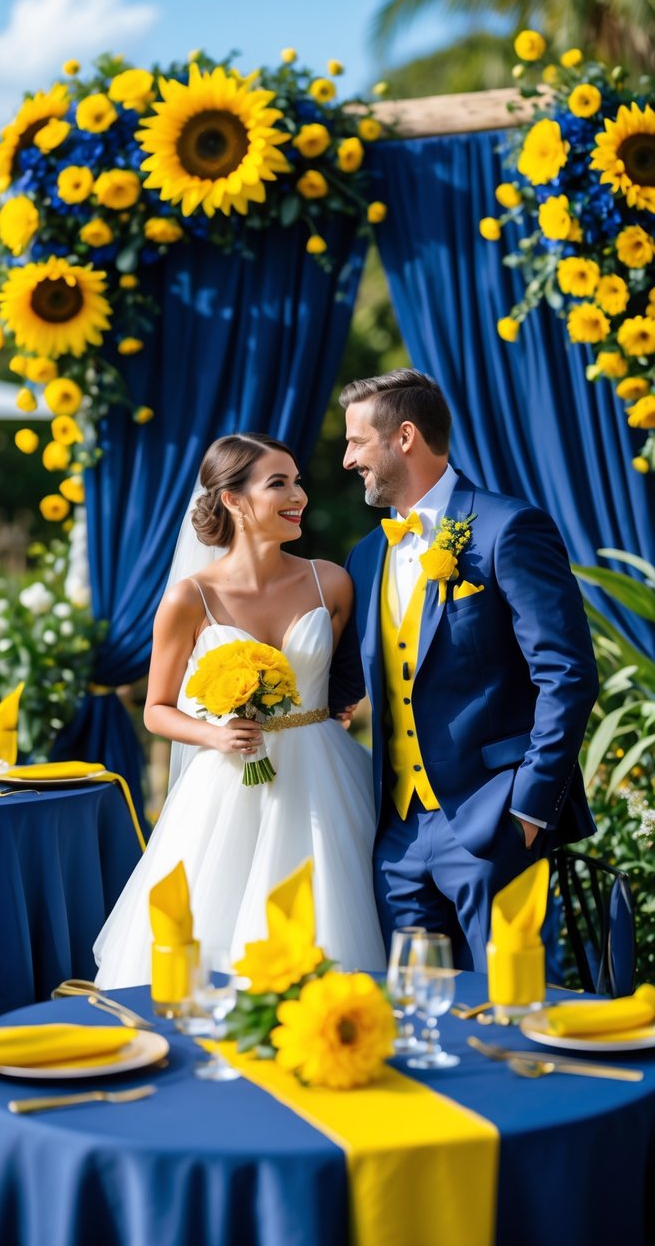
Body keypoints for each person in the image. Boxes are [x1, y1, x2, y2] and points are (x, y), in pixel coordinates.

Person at [329, 369, 598, 971]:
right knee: (414, 1012)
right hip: (397, 839)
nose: (347, 460)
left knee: (514, 1006)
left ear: (404, 437)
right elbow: (350, 683)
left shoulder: (509, 527)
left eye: (356, 442)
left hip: (495, 821)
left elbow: (567, 673)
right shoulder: (365, 555)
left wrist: (528, 810)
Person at [94, 432, 386, 987]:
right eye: (278, 483)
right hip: (227, 783)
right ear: (232, 499)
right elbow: (157, 709)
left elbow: (349, 674)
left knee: (333, 920)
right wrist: (215, 735)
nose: (298, 495)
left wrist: (339, 706)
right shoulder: (190, 598)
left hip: (324, 778)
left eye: (297, 481)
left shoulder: (331, 582)